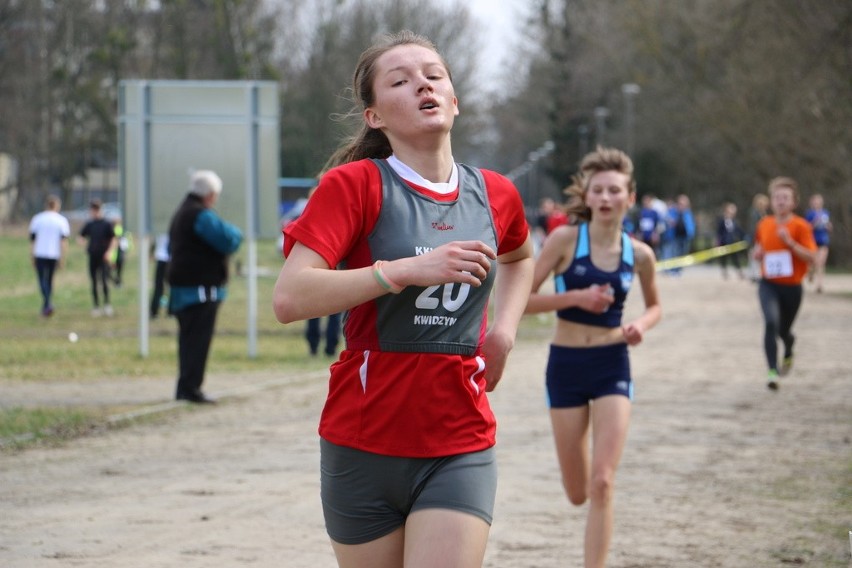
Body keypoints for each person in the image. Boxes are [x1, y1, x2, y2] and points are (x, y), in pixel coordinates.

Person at [272, 30, 534, 568]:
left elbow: (521, 257)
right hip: (363, 442)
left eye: (434, 76)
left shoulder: (496, 193)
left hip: (459, 438)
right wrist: (403, 271)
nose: (423, 85)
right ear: (375, 117)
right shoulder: (355, 187)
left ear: (454, 101)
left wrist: (504, 331)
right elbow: (290, 298)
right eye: (401, 80)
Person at [525, 147, 661, 568]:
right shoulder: (565, 240)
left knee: (602, 482)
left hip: (611, 365)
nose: (605, 198)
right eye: (597, 190)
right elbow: (521, 300)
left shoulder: (639, 255)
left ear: (630, 197)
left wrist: (641, 324)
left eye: (614, 190)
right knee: (577, 491)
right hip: (565, 366)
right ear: (586, 196)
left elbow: (656, 306)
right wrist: (575, 297)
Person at [167, 170, 243, 403]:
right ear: (210, 195)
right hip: (198, 292)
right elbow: (229, 239)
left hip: (183, 290)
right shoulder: (200, 215)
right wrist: (235, 232)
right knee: (198, 341)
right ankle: (192, 388)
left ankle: (185, 386)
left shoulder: (182, 211)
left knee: (188, 341)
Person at [752, 177, 816, 390]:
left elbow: (811, 256)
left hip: (792, 288)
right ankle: (772, 371)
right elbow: (760, 250)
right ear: (771, 201)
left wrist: (790, 243)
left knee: (783, 330)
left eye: (785, 198)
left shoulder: (801, 226)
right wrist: (758, 254)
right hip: (768, 284)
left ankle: (789, 345)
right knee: (770, 322)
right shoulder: (764, 224)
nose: (780, 201)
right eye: (776, 197)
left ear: (794, 202)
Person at [29, 194, 71, 317]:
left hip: (40, 253)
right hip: (54, 254)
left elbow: (32, 240)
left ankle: (47, 304)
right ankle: (47, 304)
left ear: (46, 205)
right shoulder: (61, 220)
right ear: (57, 206)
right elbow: (63, 241)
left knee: (42, 280)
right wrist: (63, 257)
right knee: (50, 280)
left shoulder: (37, 219)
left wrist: (31, 255)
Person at [79, 199, 116, 317]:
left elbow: (114, 239)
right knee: (94, 281)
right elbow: (81, 236)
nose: (93, 213)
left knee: (104, 280)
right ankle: (96, 306)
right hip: (93, 256)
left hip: (104, 256)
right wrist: (84, 244)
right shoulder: (90, 224)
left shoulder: (107, 224)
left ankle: (107, 305)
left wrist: (109, 252)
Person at [804, 193, 832, 293]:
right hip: (812, 240)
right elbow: (806, 228)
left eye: (819, 201)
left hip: (824, 240)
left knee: (821, 262)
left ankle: (819, 285)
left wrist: (829, 227)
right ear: (812, 203)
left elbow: (829, 227)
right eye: (815, 201)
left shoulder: (826, 213)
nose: (817, 203)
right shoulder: (809, 214)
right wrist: (814, 223)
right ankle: (810, 272)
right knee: (813, 261)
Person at [662, 194, 695, 275]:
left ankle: (678, 270)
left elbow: (691, 225)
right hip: (674, 237)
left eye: (683, 204)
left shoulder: (688, 213)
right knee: (673, 253)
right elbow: (666, 220)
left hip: (684, 237)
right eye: (680, 203)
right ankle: (671, 270)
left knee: (682, 254)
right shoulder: (672, 211)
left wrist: (691, 234)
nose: (681, 205)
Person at [715, 202, 746, 280]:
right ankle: (724, 272)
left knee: (735, 258)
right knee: (723, 258)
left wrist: (744, 237)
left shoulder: (734, 221)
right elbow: (719, 232)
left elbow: (739, 231)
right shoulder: (722, 221)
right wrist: (718, 242)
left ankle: (739, 272)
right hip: (724, 243)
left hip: (732, 243)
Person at [746, 193, 769, 281]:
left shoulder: (762, 213)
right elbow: (754, 227)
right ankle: (754, 275)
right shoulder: (754, 213)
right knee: (754, 256)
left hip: (762, 238)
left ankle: (757, 274)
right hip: (756, 238)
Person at [149, 233, 170, 318]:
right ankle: (170, 311)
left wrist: (151, 252)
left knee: (159, 286)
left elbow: (153, 243)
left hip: (162, 258)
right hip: (166, 258)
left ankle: (154, 311)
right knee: (168, 286)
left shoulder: (159, 227)